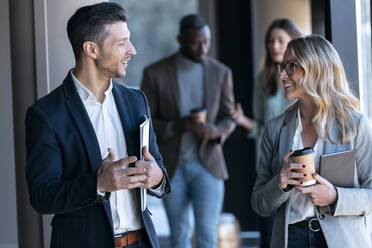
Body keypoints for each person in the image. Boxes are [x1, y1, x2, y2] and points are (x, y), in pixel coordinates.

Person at [25, 3, 170, 248]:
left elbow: (159, 172)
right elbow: (42, 197)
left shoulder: (137, 101)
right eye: (121, 43)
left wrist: (157, 178)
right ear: (91, 49)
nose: (132, 50)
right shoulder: (46, 114)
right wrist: (98, 184)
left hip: (142, 242)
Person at [251, 34, 372, 248]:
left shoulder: (356, 125)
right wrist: (280, 183)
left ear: (316, 68)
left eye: (291, 67)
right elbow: (259, 204)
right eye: (282, 67)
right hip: (292, 238)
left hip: (341, 241)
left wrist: (335, 197)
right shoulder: (275, 128)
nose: (282, 75)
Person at [141, 14, 235, 248]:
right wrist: (176, 126)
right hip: (172, 167)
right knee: (179, 235)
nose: (202, 48)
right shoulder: (155, 73)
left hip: (208, 165)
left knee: (207, 234)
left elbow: (229, 118)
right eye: (195, 42)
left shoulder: (221, 72)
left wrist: (214, 130)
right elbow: (144, 122)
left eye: (206, 41)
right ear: (180, 39)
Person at [230, 18, 302, 248]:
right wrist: (242, 120)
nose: (275, 46)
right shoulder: (262, 80)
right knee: (269, 232)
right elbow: (262, 126)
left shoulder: (307, 78)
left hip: (302, 160)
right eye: (271, 41)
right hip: (271, 163)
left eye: (281, 40)